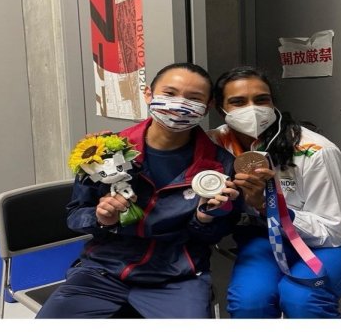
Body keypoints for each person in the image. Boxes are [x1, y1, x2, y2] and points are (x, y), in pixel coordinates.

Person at [37, 63, 241, 319]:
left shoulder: (220, 165)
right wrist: (101, 219)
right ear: (148, 94)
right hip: (103, 271)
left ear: (207, 106)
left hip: (176, 278)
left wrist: (205, 218)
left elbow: (217, 234)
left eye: (194, 98)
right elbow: (76, 215)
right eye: (170, 93)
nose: (179, 105)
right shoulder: (104, 151)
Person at [208, 66, 341, 318]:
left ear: (273, 103)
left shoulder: (316, 151)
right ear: (220, 108)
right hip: (264, 235)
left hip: (334, 239)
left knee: (303, 298)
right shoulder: (215, 143)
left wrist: (266, 205)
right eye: (238, 102)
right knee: (249, 301)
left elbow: (332, 232)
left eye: (261, 100)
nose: (252, 109)